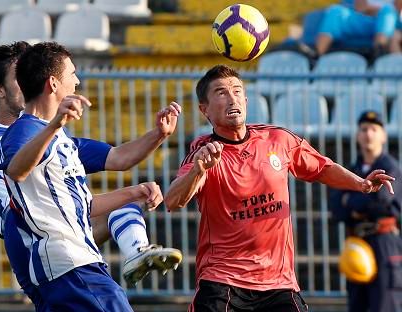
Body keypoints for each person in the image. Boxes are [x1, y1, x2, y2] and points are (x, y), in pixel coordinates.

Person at [0, 41, 181, 311]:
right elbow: (16, 170)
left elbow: (117, 160)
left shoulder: (60, 139)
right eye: (18, 77)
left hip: (68, 242)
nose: (77, 80)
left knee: (122, 205)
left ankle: (137, 252)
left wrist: (158, 138)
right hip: (33, 237)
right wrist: (54, 125)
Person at [164, 65, 396, 312]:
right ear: (204, 110)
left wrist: (361, 184)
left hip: (279, 283)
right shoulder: (205, 151)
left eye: (236, 90)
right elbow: (172, 200)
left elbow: (321, 167)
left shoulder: (277, 138)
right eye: (221, 92)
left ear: (245, 98)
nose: (232, 97)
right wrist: (200, 168)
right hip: (223, 281)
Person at [329, 110, 402, 312]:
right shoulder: (351, 170)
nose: (368, 134)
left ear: (383, 135)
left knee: (385, 305)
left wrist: (349, 201)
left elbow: (382, 199)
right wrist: (357, 204)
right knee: (357, 305)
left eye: (374, 129)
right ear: (357, 135)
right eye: (363, 129)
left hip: (384, 242)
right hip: (357, 242)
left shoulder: (390, 167)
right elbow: (335, 208)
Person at [315, 0, 402, 57]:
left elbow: (398, 9)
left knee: (387, 11)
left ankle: (379, 52)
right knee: (335, 11)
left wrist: (379, 11)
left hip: (391, 22)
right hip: (366, 21)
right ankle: (317, 55)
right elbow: (360, 8)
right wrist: (378, 11)